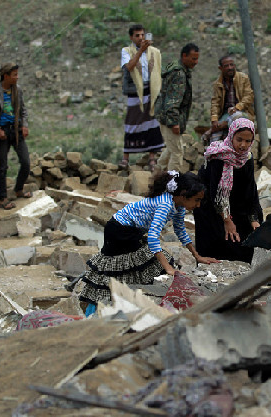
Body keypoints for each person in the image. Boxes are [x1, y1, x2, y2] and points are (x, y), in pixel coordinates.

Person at [79, 171, 219, 314]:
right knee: (118, 270)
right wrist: (169, 269)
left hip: (133, 230)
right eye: (196, 200)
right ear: (183, 195)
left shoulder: (179, 206)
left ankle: (133, 303)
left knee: (147, 264)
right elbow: (153, 237)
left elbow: (181, 231)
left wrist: (197, 256)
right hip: (119, 230)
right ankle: (100, 309)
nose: (198, 205)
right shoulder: (165, 204)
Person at [194, 118, 263, 263]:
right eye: (239, 140)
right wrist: (226, 219)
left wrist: (254, 219)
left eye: (248, 141)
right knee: (219, 236)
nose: (243, 145)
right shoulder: (219, 157)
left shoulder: (247, 158)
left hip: (236, 201)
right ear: (231, 136)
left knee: (248, 231)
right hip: (212, 204)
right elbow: (216, 193)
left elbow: (250, 190)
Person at [0, 63, 31, 210]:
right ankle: (3, 198)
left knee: (26, 162)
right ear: (6, 76)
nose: (17, 77)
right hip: (2, 133)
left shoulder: (18, 91)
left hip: (15, 130)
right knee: (2, 166)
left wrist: (24, 125)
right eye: (14, 75)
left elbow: (23, 110)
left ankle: (18, 189)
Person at [120, 24, 165, 171]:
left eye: (142, 35)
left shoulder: (154, 52)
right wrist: (140, 51)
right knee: (132, 122)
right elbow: (129, 67)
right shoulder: (127, 51)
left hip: (150, 90)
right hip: (135, 91)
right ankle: (125, 158)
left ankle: (152, 158)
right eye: (137, 35)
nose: (141, 38)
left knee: (151, 122)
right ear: (131, 37)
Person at [155, 43, 199, 173]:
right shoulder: (179, 74)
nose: (196, 62)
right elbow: (172, 100)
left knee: (171, 148)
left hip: (165, 116)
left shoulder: (177, 69)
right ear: (184, 56)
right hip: (169, 118)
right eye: (193, 58)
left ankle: (156, 176)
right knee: (177, 152)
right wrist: (174, 122)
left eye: (197, 59)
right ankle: (171, 184)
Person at [207, 55, 255, 143]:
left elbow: (249, 96)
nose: (230, 68)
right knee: (215, 139)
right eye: (226, 66)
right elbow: (215, 103)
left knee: (237, 117)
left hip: (242, 112)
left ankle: (224, 125)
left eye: (231, 65)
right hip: (226, 114)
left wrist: (237, 107)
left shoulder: (243, 78)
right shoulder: (218, 83)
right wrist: (214, 119)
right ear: (220, 68)